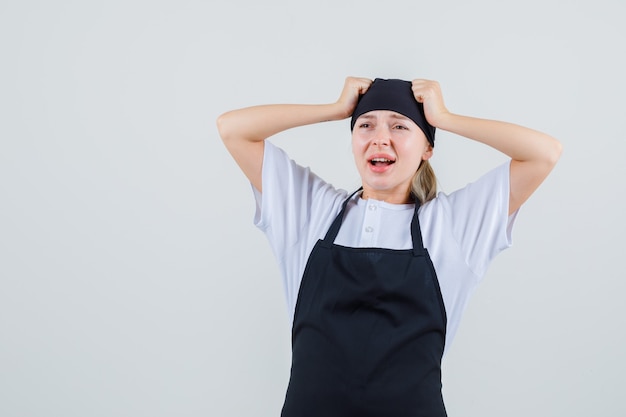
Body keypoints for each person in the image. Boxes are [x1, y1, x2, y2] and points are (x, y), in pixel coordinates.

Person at [216, 77, 562, 416]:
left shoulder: (452, 225)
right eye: (365, 125)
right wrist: (334, 109)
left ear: (427, 148)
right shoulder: (310, 210)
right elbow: (233, 129)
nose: (380, 138)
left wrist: (445, 119)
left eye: (399, 127)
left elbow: (544, 154)